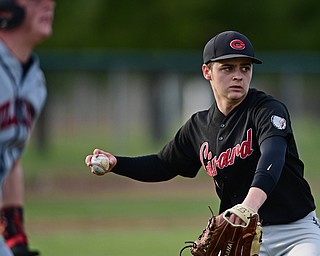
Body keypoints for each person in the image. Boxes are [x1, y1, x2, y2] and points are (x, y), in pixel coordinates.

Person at [85, 30, 320, 255]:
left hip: (296, 231)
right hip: (241, 236)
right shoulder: (199, 127)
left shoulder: (267, 110)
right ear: (207, 71)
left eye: (245, 68)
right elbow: (163, 164)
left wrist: (249, 206)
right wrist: (117, 163)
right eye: (227, 68)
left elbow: (272, 156)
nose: (238, 75)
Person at [0, 0, 55, 255]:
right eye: (35, 0)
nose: (48, 5)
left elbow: (11, 160)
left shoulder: (35, 82)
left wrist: (15, 237)